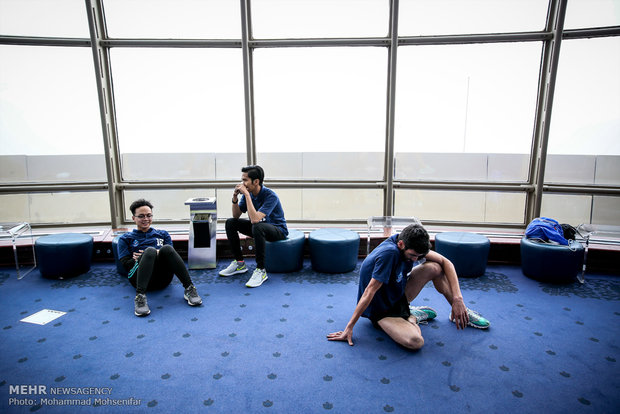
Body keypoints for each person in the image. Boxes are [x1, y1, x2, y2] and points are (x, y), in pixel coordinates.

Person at [327, 223, 489, 350]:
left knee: (435, 268)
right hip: (382, 310)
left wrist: (457, 298)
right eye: (413, 255)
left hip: (397, 295)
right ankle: (411, 316)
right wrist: (349, 327)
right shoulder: (388, 254)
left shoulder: (410, 243)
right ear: (401, 244)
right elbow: (370, 291)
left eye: (418, 256)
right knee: (415, 342)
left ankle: (461, 312)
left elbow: (447, 262)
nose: (415, 259)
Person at [117, 199, 202, 317]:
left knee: (166, 249)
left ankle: (189, 288)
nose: (145, 219)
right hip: (138, 279)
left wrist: (157, 252)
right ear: (133, 218)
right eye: (141, 216)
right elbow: (125, 264)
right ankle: (140, 296)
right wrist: (140, 258)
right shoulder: (125, 239)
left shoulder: (163, 234)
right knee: (150, 251)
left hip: (163, 279)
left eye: (148, 215)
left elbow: (171, 256)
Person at [219, 165, 288, 288]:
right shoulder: (249, 194)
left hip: (278, 230)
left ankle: (261, 270)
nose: (242, 183)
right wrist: (235, 197)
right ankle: (239, 263)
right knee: (230, 223)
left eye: (245, 180)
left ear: (256, 181)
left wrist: (246, 195)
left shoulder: (270, 196)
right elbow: (236, 215)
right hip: (260, 229)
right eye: (242, 180)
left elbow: (255, 219)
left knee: (257, 226)